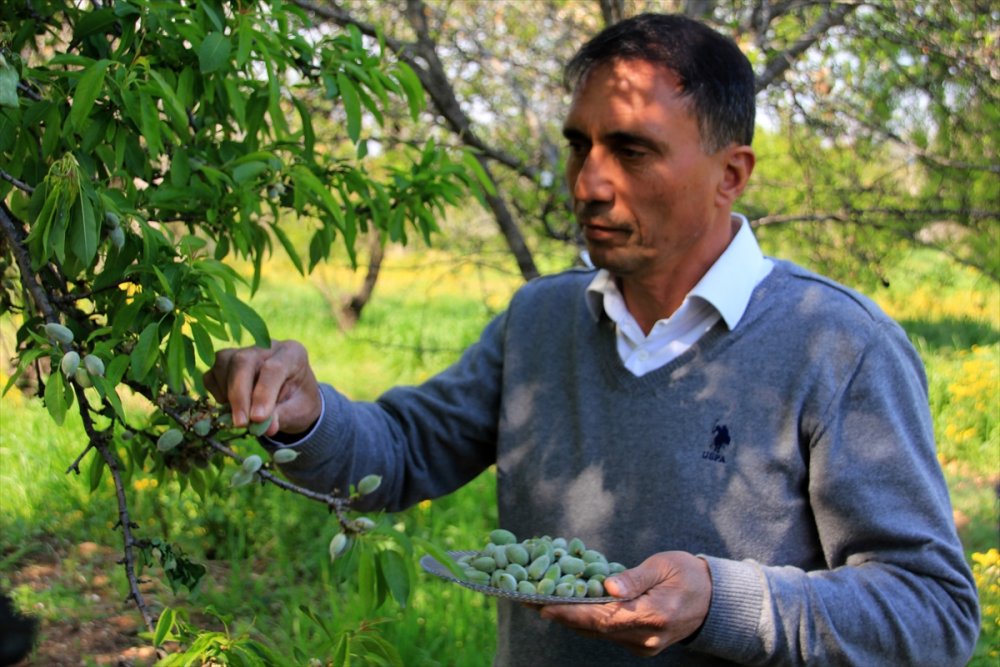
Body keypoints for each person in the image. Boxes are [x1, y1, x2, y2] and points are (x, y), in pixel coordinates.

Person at [204, 13, 980, 666]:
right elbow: (404, 450)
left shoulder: (837, 346)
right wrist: (307, 415)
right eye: (580, 146)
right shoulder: (541, 320)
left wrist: (722, 600)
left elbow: (934, 611)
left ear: (731, 174)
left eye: (632, 151)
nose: (587, 184)